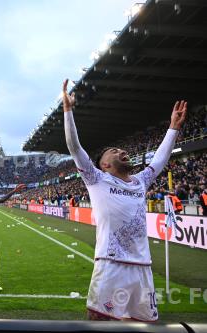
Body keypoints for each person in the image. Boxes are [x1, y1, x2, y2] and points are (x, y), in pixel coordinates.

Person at [62, 79, 187, 321]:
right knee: (100, 323)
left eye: (121, 149)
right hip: (111, 265)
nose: (121, 151)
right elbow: (74, 147)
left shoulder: (141, 180)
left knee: (144, 326)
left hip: (142, 267)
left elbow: (159, 160)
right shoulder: (96, 178)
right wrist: (68, 111)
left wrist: (173, 127)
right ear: (105, 164)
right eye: (114, 151)